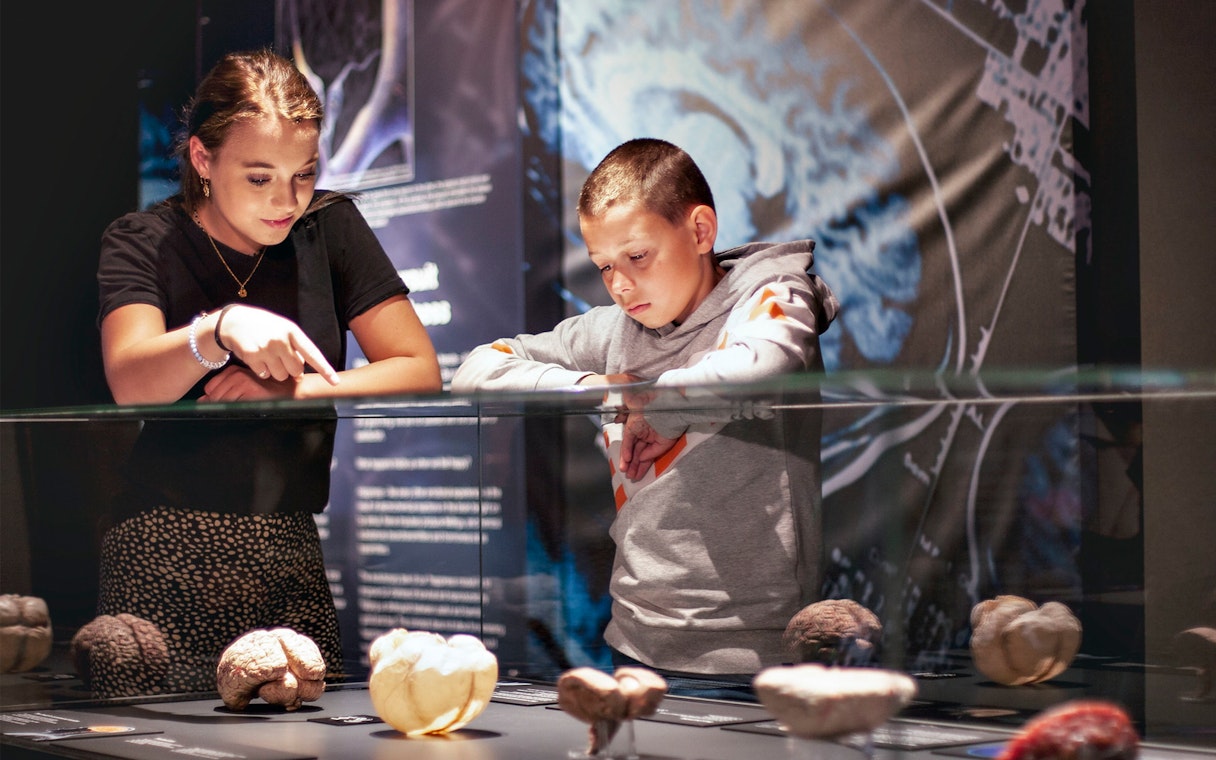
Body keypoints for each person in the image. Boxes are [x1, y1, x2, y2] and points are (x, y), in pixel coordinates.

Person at [92, 48, 441, 695]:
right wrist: (218, 331)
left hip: (288, 542)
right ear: (202, 158)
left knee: (303, 729)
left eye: (303, 174)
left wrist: (293, 388)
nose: (286, 201)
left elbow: (417, 368)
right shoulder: (143, 239)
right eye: (259, 178)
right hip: (163, 538)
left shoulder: (330, 226)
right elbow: (129, 380)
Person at [452, 137, 840, 676]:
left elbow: (762, 361)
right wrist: (601, 387)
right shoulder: (611, 329)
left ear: (700, 231)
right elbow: (476, 371)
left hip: (760, 652)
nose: (620, 285)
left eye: (637, 257)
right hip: (635, 643)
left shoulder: (772, 297)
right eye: (604, 265)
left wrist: (656, 409)